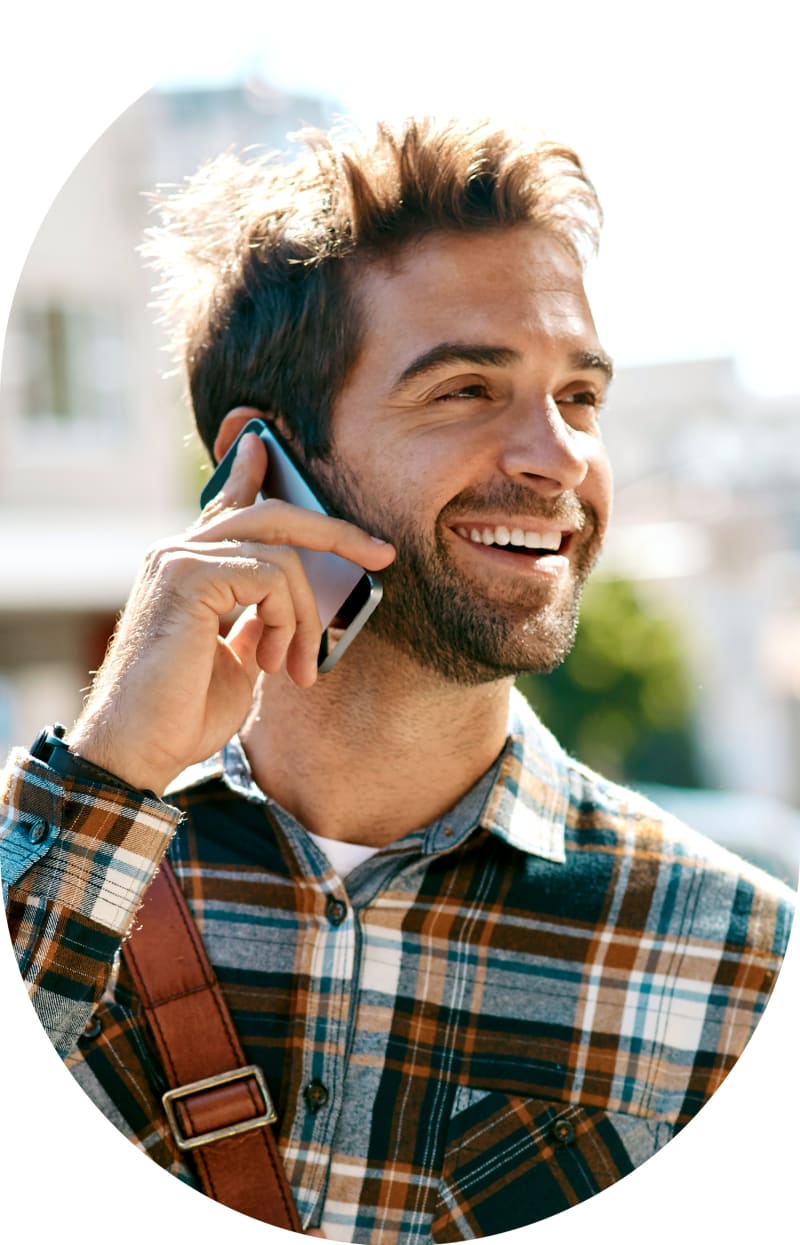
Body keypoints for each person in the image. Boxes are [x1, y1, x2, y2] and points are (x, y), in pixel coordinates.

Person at [1, 118, 793, 1243]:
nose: (559, 458)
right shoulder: (47, 873)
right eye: (467, 389)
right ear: (259, 463)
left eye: (578, 397)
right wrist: (110, 771)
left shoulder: (742, 963)